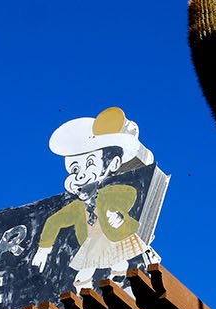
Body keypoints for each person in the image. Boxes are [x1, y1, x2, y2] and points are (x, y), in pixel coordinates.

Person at [30, 107, 158, 292]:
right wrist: (43, 248)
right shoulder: (78, 206)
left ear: (112, 164)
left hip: (116, 237)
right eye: (74, 169)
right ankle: (86, 295)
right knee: (85, 272)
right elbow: (54, 221)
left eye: (89, 164)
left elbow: (130, 195)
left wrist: (119, 216)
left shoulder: (111, 192)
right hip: (93, 243)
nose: (79, 175)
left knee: (121, 263)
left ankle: (121, 288)